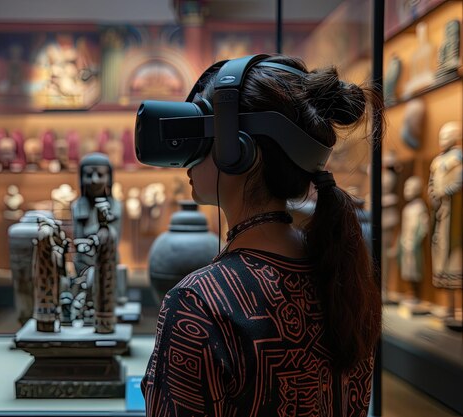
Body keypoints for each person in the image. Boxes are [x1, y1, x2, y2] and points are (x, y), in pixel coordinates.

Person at [141, 54, 383, 417]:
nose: (188, 157)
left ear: (235, 149)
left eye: (199, 131)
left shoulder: (198, 304)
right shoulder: (344, 280)